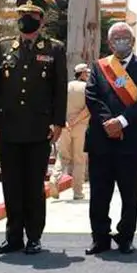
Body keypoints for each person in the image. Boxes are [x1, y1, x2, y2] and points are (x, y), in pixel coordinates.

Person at [0, 0, 67, 255]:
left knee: (33, 186)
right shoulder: (3, 47)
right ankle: (13, 237)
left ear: (42, 19)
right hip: (9, 128)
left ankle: (34, 236)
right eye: (22, 14)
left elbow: (59, 90)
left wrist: (57, 123)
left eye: (32, 15)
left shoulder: (54, 49)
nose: (26, 19)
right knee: (11, 184)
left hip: (38, 129)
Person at [83, 23, 137, 255]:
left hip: (131, 141)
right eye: (116, 37)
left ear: (133, 41)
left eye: (125, 37)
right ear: (109, 42)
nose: (121, 41)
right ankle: (100, 238)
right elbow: (92, 96)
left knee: (130, 193)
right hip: (101, 139)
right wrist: (109, 123)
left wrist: (122, 121)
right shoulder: (99, 66)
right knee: (99, 193)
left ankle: (125, 237)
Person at [49, 63, 91, 201]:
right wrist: (76, 120)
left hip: (65, 125)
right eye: (87, 73)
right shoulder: (88, 88)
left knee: (62, 156)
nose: (88, 75)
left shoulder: (66, 87)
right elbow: (88, 109)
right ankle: (77, 192)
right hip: (80, 127)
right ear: (83, 73)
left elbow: (57, 105)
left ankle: (54, 179)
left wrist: (65, 121)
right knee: (79, 159)